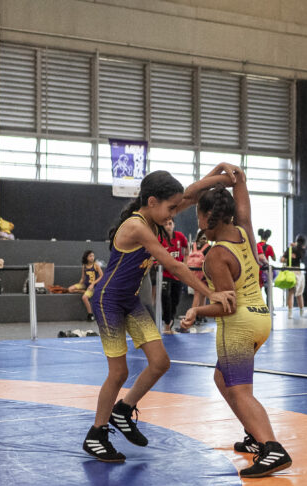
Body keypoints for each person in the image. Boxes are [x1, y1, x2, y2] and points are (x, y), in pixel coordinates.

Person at [82, 167, 238, 463]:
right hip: (109, 301)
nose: (173, 215)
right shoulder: (137, 226)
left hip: (127, 301)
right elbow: (175, 266)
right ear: (152, 201)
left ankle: (123, 410)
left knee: (160, 362)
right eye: (169, 208)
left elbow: (191, 192)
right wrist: (211, 292)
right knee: (119, 372)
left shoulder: (156, 213)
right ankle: (96, 434)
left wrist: (219, 174)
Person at [180, 183, 292, 478]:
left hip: (238, 325)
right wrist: (238, 179)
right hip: (260, 319)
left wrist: (196, 310)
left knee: (240, 391)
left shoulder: (216, 255)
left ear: (207, 218)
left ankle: (271, 448)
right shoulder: (243, 234)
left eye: (198, 216)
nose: (198, 222)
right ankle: (256, 436)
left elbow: (226, 305)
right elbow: (245, 210)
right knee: (222, 378)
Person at [159, 219, 189, 333]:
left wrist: (185, 264)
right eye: (165, 224)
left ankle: (170, 320)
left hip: (178, 274)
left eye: (170, 224)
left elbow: (186, 249)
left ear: (174, 225)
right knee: (165, 297)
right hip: (165, 273)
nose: (168, 226)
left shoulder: (179, 236)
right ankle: (166, 324)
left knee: (175, 299)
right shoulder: (160, 238)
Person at [68, 250, 103, 321]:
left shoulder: (96, 265)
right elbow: (83, 278)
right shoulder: (84, 266)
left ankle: (90, 314)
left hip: (93, 286)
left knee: (84, 298)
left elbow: (102, 276)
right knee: (70, 289)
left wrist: (93, 283)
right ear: (86, 257)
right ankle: (84, 291)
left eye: (93, 256)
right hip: (85, 284)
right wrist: (79, 284)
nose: (92, 257)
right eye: (90, 256)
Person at [186, 231, 212, 322]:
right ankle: (192, 317)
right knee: (199, 293)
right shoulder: (208, 247)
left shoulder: (193, 245)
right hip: (202, 273)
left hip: (192, 272)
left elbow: (187, 257)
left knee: (200, 293)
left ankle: (200, 315)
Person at [282, 234, 307, 318]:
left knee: (291, 292)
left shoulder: (290, 249)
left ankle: (290, 313)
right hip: (298, 271)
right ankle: (302, 312)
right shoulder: (303, 250)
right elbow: (303, 256)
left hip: (289, 271)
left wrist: (289, 257)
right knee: (300, 293)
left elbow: (282, 259)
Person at [256, 228, 275, 304]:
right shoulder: (269, 247)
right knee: (268, 291)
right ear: (268, 237)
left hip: (258, 270)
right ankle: (269, 308)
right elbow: (274, 258)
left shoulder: (256, 245)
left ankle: (259, 306)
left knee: (258, 290)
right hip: (266, 271)